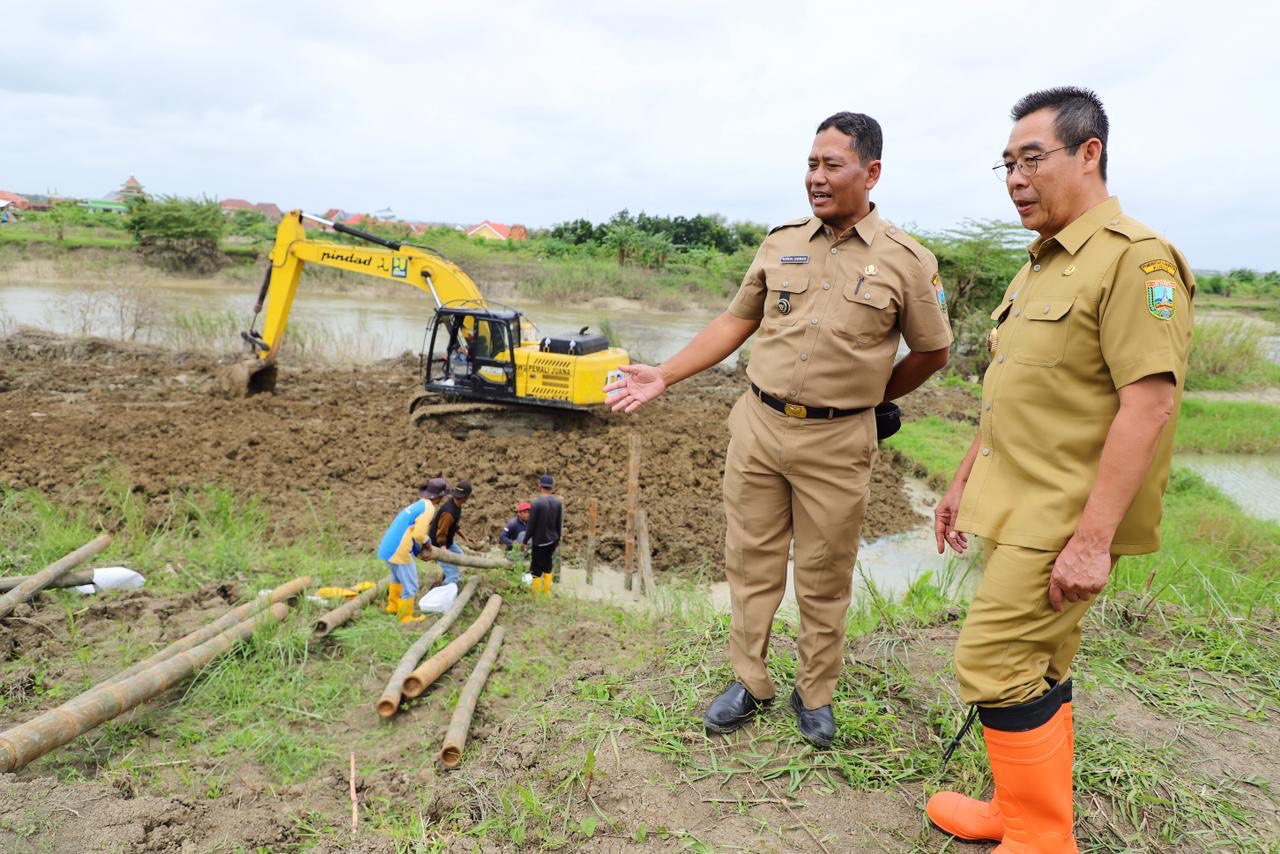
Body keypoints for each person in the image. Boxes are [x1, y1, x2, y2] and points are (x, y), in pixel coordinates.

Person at [604, 112, 951, 747]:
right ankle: (750, 680)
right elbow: (735, 321)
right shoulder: (781, 240)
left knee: (824, 573)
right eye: (812, 164)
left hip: (839, 441)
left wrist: (871, 399)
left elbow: (933, 352)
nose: (816, 177)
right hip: (758, 426)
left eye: (832, 165)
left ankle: (814, 692)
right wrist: (666, 375)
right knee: (751, 560)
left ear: (871, 173)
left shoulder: (907, 261)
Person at [927, 87, 1195, 851]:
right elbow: (1011, 395)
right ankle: (1023, 816)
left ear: (1089, 153)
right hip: (1014, 504)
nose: (1015, 177)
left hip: (1065, 517)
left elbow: (1148, 406)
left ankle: (1040, 840)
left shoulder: (1135, 261)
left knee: (990, 660)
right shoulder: (1041, 266)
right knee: (1038, 664)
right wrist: (960, 485)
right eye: (1006, 163)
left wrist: (1092, 541)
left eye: (1031, 158)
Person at [377, 478, 449, 624]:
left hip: (388, 547)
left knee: (396, 578)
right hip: (400, 550)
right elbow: (418, 534)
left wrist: (417, 548)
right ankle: (405, 617)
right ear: (440, 497)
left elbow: (410, 530)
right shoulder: (429, 509)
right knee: (411, 585)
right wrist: (427, 542)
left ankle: (393, 606)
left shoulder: (418, 504)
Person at [428, 480, 478, 588]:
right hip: (438, 544)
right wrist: (443, 551)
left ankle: (445, 576)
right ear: (466, 497)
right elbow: (441, 533)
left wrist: (464, 536)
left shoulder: (456, 504)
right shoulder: (448, 513)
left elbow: (453, 525)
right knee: (453, 575)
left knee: (460, 557)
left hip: (447, 541)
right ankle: (448, 590)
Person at [525, 474, 563, 595]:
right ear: (552, 487)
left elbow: (530, 526)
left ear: (540, 485)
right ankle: (546, 593)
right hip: (552, 541)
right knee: (547, 565)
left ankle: (536, 595)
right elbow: (559, 524)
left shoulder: (536, 503)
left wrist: (525, 541)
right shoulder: (557, 503)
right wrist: (558, 540)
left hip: (539, 541)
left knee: (535, 567)